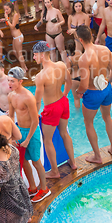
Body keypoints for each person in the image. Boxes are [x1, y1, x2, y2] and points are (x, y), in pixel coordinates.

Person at [33, 41, 77, 178]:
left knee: (47, 139)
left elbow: (37, 101)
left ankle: (54, 171)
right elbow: (69, 83)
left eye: (34, 55)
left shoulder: (41, 76)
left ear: (41, 55)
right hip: (63, 102)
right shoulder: (61, 65)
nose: (34, 58)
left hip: (51, 108)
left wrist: (33, 118)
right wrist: (63, 96)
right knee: (64, 133)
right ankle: (73, 163)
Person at [76, 25, 112, 164]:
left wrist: (79, 92)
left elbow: (85, 84)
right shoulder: (105, 49)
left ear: (80, 40)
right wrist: (107, 83)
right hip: (106, 89)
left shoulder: (83, 58)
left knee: (88, 123)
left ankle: (97, 156)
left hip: (93, 93)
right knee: (107, 117)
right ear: (92, 36)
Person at [8, 67, 49, 203]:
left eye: (12, 81)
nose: (10, 83)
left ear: (20, 81)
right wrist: (12, 136)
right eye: (8, 80)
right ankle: (32, 187)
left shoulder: (28, 97)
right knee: (24, 162)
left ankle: (44, 189)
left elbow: (35, 121)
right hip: (20, 132)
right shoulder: (11, 96)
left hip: (32, 132)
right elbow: (11, 116)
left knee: (36, 162)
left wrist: (28, 139)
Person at [34, 0, 67, 64]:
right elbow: (41, 21)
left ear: (51, 2)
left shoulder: (56, 11)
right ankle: (53, 67)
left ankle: (66, 66)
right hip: (49, 34)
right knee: (51, 51)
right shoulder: (43, 12)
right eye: (45, 2)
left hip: (58, 33)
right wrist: (36, 26)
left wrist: (58, 24)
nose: (47, 4)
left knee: (61, 50)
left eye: (48, 2)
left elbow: (63, 21)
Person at [3, 2, 27, 72]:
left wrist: (6, 19)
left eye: (7, 9)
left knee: (19, 54)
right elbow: (9, 23)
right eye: (5, 10)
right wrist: (5, 19)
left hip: (18, 37)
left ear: (11, 8)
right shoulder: (10, 15)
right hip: (15, 37)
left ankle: (23, 68)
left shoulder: (16, 14)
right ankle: (24, 65)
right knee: (14, 52)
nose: (6, 11)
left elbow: (12, 26)